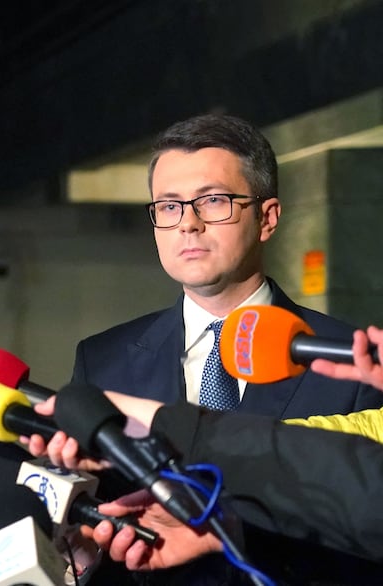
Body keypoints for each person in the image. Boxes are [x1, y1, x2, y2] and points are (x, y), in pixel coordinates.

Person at [67, 113, 383, 584]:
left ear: (268, 218)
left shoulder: (350, 361)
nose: (188, 224)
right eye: (169, 206)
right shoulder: (103, 360)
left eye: (213, 201)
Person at [26, 324, 383, 580]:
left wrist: (159, 428)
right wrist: (227, 523)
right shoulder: (100, 353)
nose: (188, 223)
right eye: (169, 211)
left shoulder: (339, 343)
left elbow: (358, 480)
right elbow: (339, 449)